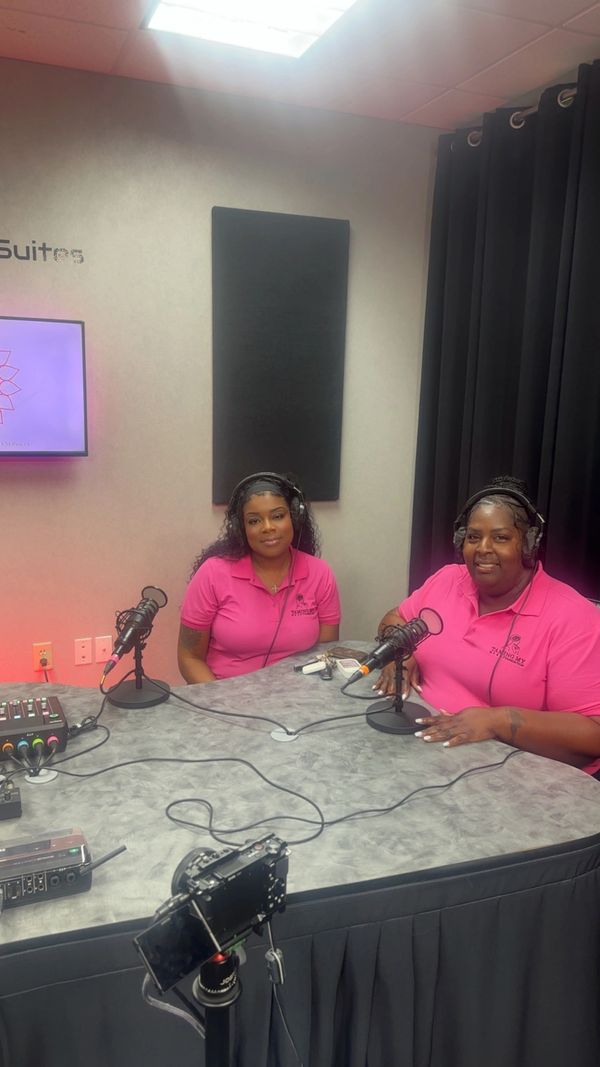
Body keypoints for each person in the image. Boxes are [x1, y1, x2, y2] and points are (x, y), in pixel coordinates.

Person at [375, 476, 600, 775]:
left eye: (501, 537)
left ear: (529, 544)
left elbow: (593, 734)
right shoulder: (447, 580)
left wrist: (498, 721)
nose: (483, 548)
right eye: (473, 537)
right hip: (423, 750)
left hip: (512, 773)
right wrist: (402, 651)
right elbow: (392, 618)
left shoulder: (572, 617)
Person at [178, 472, 340, 682]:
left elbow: (325, 656)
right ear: (240, 528)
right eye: (254, 521)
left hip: (300, 701)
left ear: (295, 517)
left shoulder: (320, 574)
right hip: (226, 699)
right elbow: (189, 657)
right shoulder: (212, 574)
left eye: (278, 516)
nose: (268, 527)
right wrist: (220, 704)